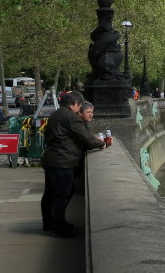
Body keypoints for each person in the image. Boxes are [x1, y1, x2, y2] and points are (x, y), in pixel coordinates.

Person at [40, 94, 105, 238]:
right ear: (75, 103)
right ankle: (58, 227)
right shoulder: (71, 117)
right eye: (79, 105)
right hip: (64, 161)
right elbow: (86, 139)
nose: (79, 108)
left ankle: (49, 223)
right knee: (62, 194)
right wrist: (102, 143)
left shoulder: (55, 114)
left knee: (50, 193)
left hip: (51, 159)